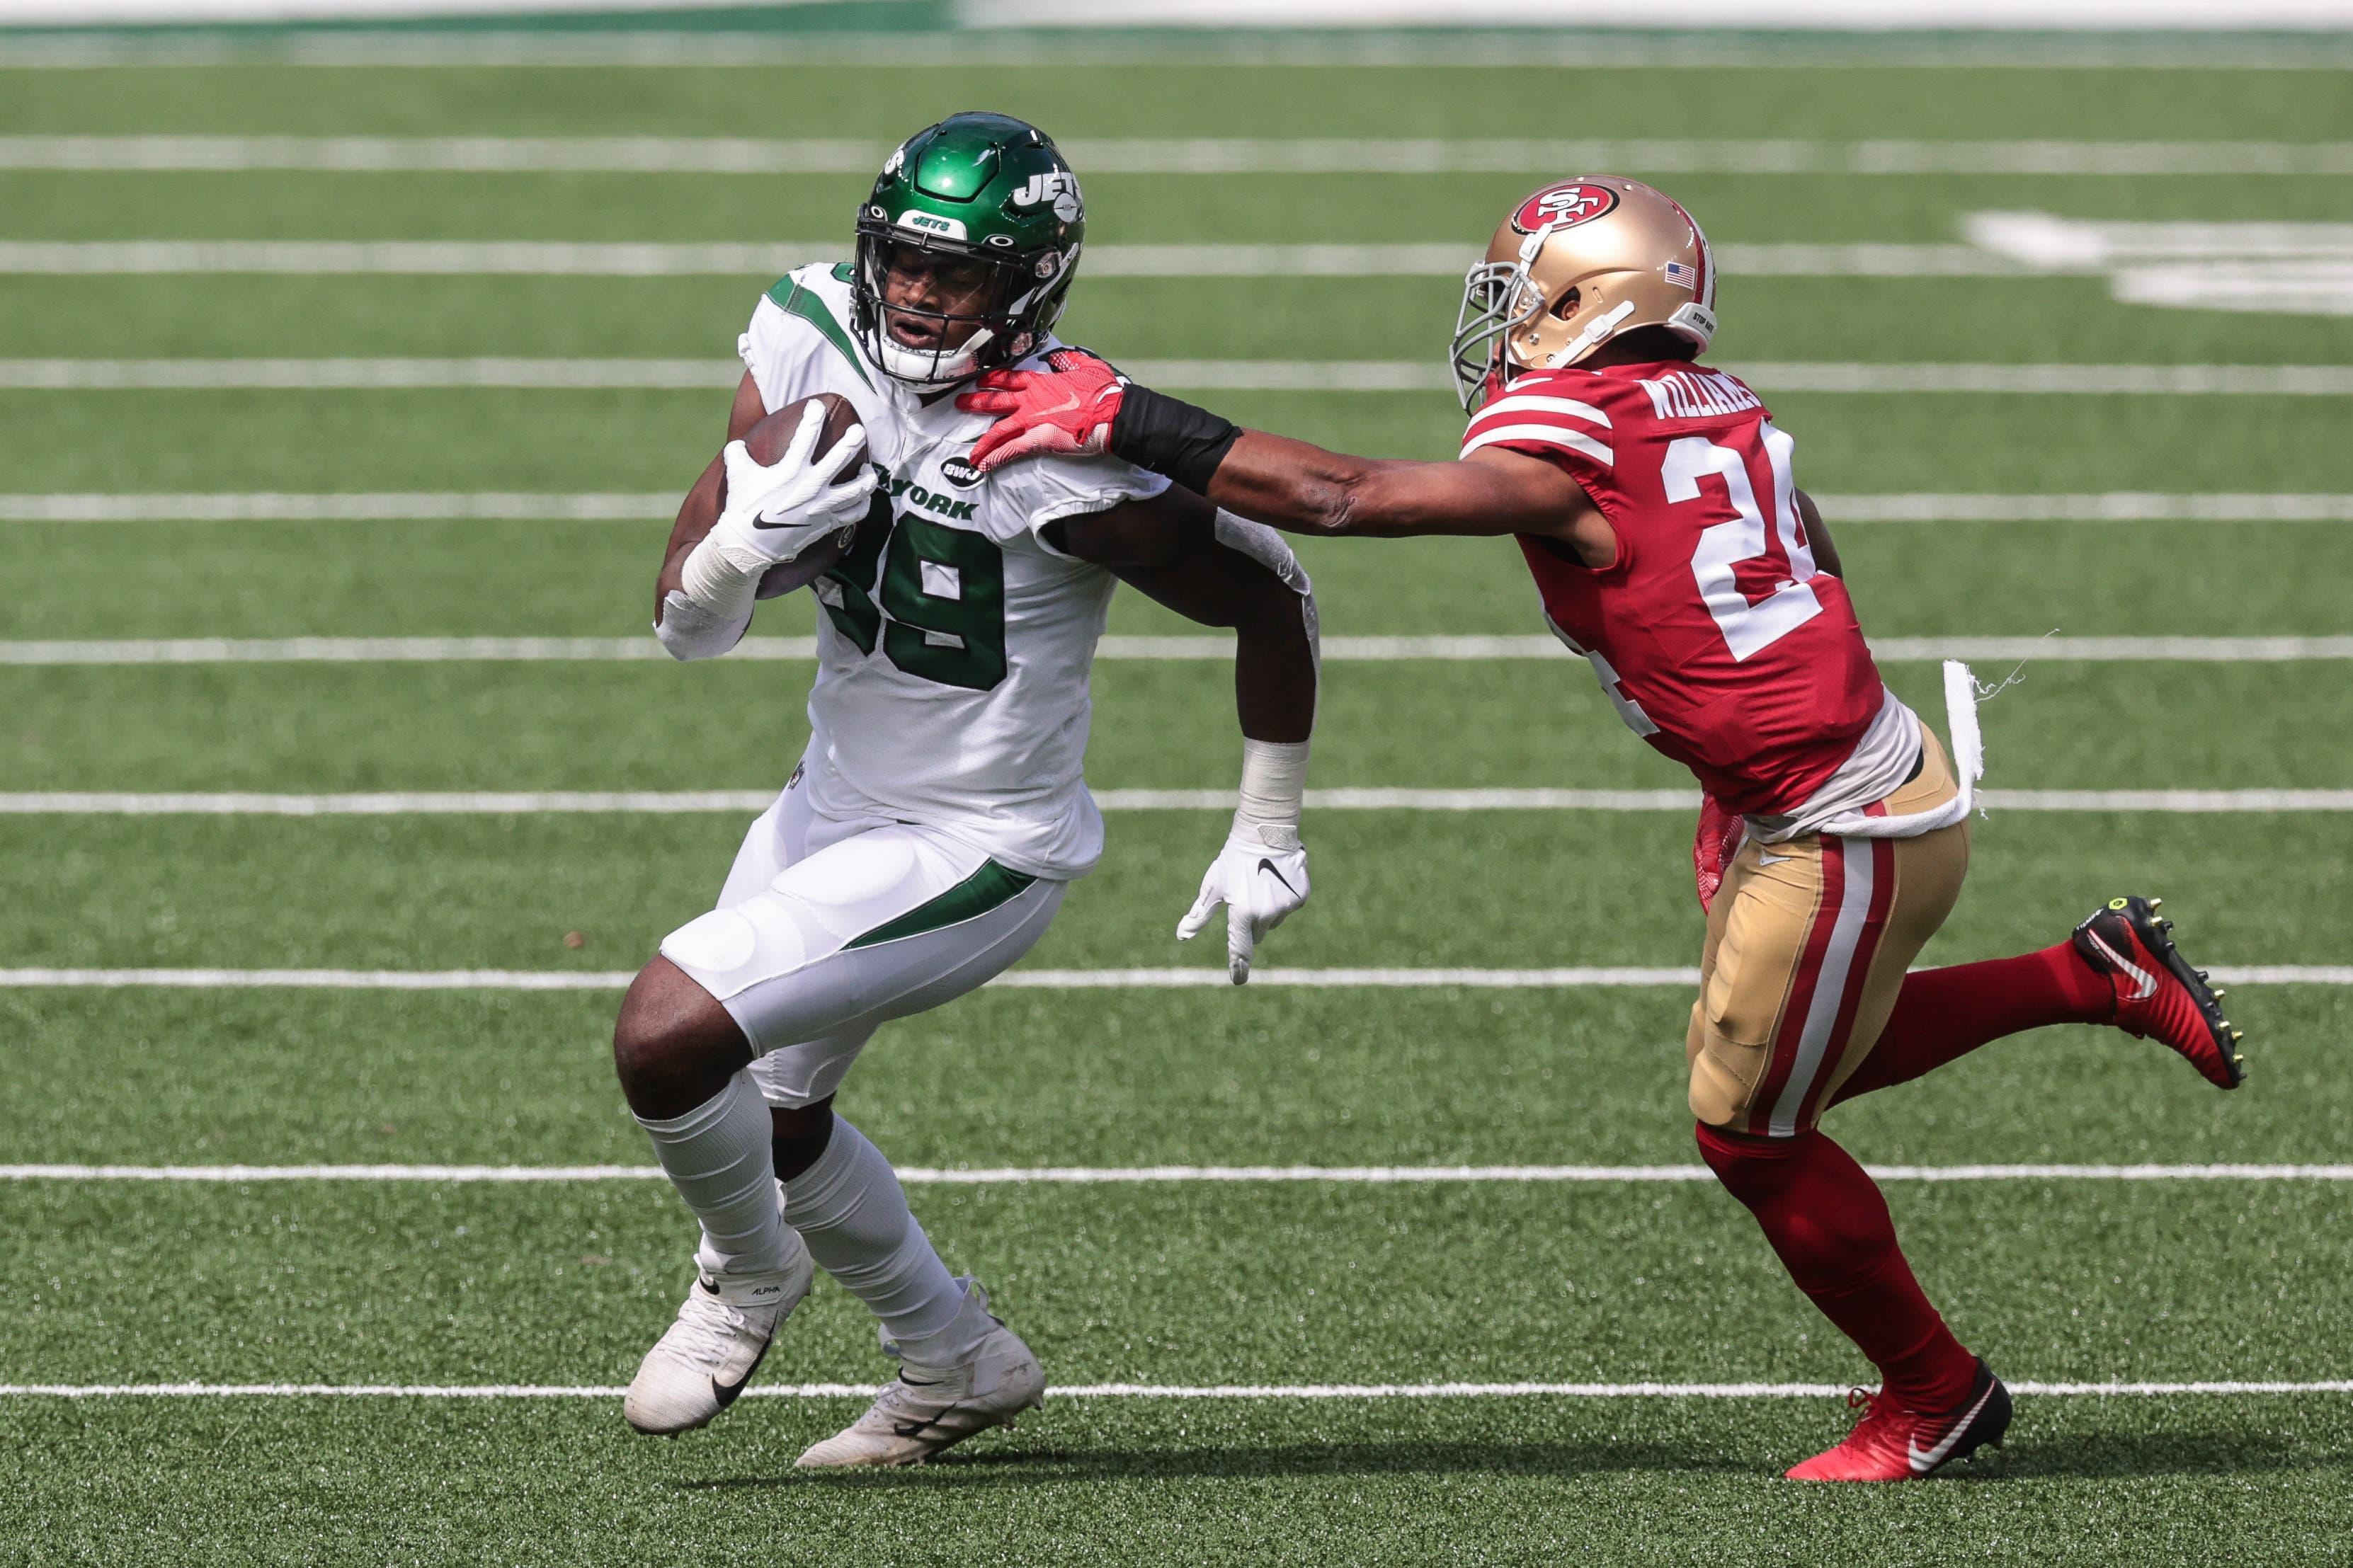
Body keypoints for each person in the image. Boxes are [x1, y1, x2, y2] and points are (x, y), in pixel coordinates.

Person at [953, 174, 2246, 1482]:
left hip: (1842, 825)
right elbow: (1813, 559)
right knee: (1786, 1060)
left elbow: (1345, 499)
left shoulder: (1564, 425)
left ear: (1591, 300)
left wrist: (1126, 414)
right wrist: (1731, 775)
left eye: (1523, 297)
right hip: (1842, 782)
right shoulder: (1714, 397)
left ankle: (1935, 1394)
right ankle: (2092, 976)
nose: (1504, 324)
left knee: (1751, 1132)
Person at [614, 112, 1320, 1468]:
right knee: (777, 1113)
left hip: (980, 844)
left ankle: (743, 1275)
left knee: (666, 1035)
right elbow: (687, 634)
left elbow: (1272, 588)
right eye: (904, 261)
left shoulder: (1057, 443)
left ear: (1032, 286)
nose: (919, 295)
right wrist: (725, 562)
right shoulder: (808, 330)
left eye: (963, 275)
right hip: (835, 794)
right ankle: (956, 1359)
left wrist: (1268, 816)